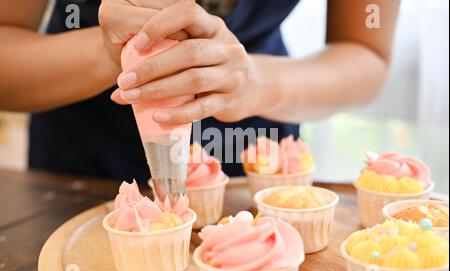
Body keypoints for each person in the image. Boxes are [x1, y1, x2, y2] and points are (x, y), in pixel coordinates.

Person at [0, 0, 400, 182]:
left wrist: (256, 83)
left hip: (255, 157)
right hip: (82, 163)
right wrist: (109, 53)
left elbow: (365, 53)